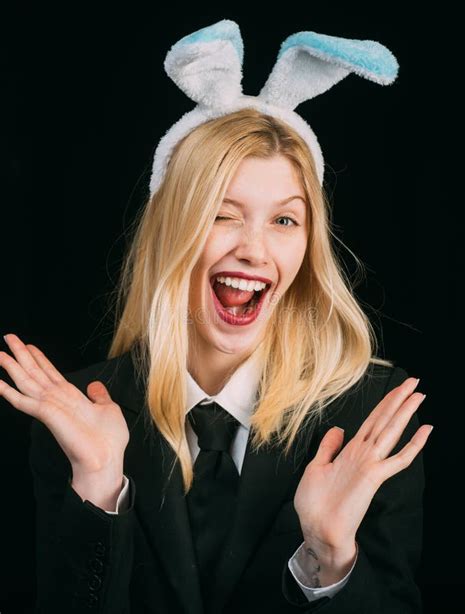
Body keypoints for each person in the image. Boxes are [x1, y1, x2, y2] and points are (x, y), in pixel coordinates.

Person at [0, 20, 432, 614]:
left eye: (284, 220)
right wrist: (99, 490)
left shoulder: (370, 420)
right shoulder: (80, 417)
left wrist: (329, 559)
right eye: (224, 214)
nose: (255, 250)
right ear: (171, 230)